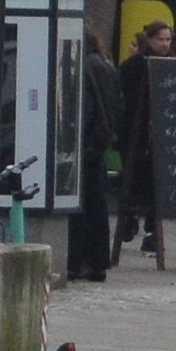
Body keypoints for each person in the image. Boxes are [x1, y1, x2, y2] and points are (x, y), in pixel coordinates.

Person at [115, 20, 173, 253]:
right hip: (133, 135)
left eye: (168, 39)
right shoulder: (133, 67)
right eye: (161, 39)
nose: (165, 44)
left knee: (155, 184)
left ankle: (150, 232)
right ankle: (130, 220)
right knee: (132, 179)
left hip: (161, 137)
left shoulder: (172, 67)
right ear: (149, 39)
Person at [73, 31, 123, 282]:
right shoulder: (104, 65)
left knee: (84, 205)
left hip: (86, 142)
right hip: (99, 143)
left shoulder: (83, 67)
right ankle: (98, 261)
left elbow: (86, 108)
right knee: (97, 204)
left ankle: (83, 260)